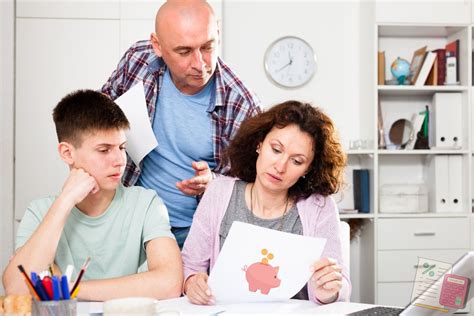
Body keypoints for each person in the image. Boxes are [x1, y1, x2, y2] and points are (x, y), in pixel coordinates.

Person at [101, 0, 261, 248]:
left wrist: (214, 184)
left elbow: (254, 190)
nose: (200, 64)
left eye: (208, 47)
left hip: (196, 234)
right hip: (130, 219)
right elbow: (101, 110)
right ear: (157, 46)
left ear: (218, 33)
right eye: (184, 52)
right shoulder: (138, 60)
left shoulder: (242, 105)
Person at [2, 90, 183, 301]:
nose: (119, 160)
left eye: (122, 147)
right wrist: (65, 201)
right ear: (67, 153)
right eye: (104, 150)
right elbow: (16, 289)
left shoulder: (146, 203)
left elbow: (169, 283)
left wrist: (67, 289)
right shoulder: (40, 211)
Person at [181, 100, 351, 305]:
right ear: (259, 144)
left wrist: (328, 292)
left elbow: (341, 285)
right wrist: (192, 283)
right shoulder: (219, 192)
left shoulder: (319, 207)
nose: (280, 166)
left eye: (296, 161)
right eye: (276, 149)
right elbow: (190, 267)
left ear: (308, 169)